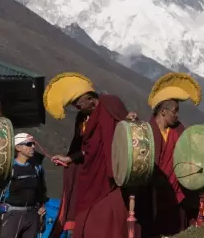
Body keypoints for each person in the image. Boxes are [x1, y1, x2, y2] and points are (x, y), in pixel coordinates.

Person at [43, 72, 138, 238]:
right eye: (73, 104)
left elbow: (126, 132)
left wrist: (130, 119)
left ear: (89, 98)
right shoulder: (82, 118)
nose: (76, 107)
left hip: (113, 172)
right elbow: (85, 148)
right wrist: (69, 158)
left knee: (109, 218)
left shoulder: (110, 103)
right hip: (90, 173)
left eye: (77, 103)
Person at [140, 72, 200, 237]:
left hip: (175, 192)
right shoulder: (146, 130)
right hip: (152, 192)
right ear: (163, 112)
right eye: (175, 111)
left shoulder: (179, 130)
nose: (177, 115)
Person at [0, 133, 47, 238]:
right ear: (18, 147)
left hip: (32, 216)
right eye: (29, 144)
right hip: (11, 216)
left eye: (33, 144)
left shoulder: (37, 168)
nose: (33, 147)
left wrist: (41, 209)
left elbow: (41, 191)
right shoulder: (8, 168)